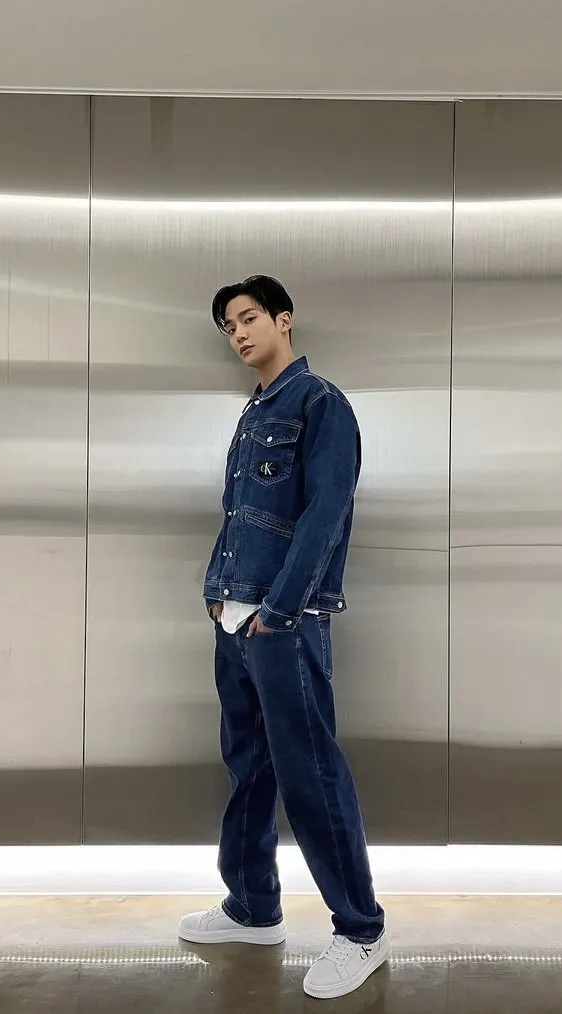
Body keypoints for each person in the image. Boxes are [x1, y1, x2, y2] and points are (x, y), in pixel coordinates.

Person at [178, 275, 388, 1000]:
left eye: (248, 318)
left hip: (282, 622)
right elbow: (237, 514)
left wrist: (279, 610)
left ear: (283, 319)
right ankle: (252, 907)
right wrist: (218, 595)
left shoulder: (319, 403)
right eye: (228, 326)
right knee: (249, 767)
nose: (238, 333)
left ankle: (361, 929)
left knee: (311, 774)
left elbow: (326, 513)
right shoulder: (253, 412)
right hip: (235, 618)